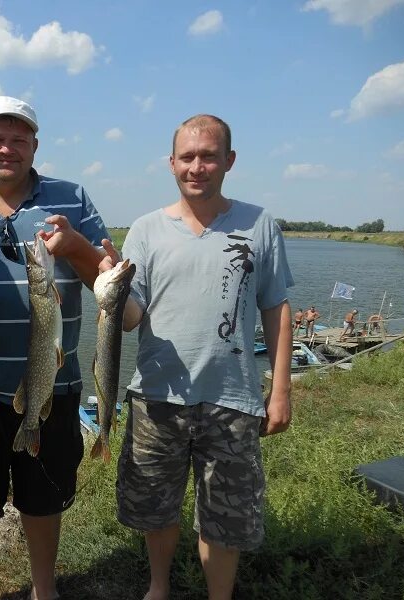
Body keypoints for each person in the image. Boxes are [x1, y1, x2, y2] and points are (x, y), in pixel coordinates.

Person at [100, 114, 293, 600]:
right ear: (171, 163)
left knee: (225, 518)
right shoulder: (145, 230)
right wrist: (110, 286)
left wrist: (281, 389)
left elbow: (276, 306)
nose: (197, 166)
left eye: (209, 156)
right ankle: (158, 587)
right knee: (155, 508)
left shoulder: (260, 223)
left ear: (229, 160)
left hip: (233, 399)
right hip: (156, 397)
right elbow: (129, 318)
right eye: (187, 157)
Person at [0, 96, 109, 600]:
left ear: (35, 145)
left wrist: (78, 247)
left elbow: (106, 281)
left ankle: (43, 589)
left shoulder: (71, 196)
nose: (7, 148)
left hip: (54, 383)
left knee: (42, 497)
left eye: (19, 139)